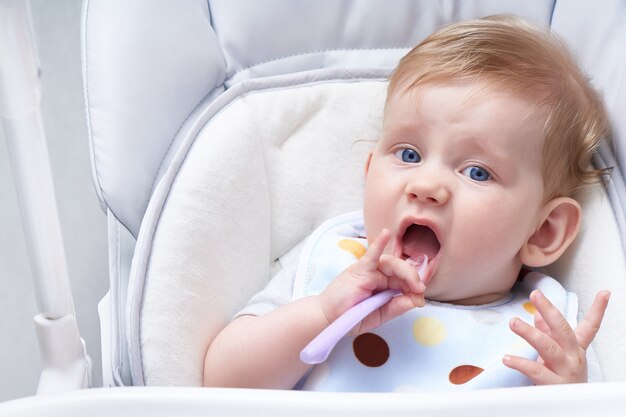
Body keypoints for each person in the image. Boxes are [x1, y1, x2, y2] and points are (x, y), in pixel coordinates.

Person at [203, 15, 611, 391]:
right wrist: (322, 315)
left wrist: (566, 395)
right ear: (368, 175)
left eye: (477, 172)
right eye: (409, 155)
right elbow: (220, 383)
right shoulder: (334, 266)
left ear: (543, 231)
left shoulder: (546, 334)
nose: (426, 185)